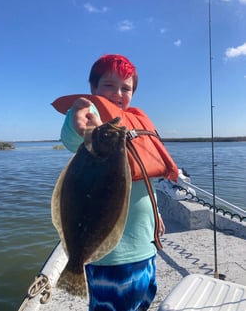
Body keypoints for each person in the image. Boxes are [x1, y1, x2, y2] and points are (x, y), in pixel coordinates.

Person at [58, 54, 178, 311]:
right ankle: (75, 266)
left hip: (144, 245)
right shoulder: (93, 122)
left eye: (126, 88)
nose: (118, 93)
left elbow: (142, 183)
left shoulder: (131, 125)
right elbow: (74, 135)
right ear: (94, 89)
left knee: (141, 302)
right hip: (112, 256)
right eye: (109, 86)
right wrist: (79, 113)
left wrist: (155, 215)